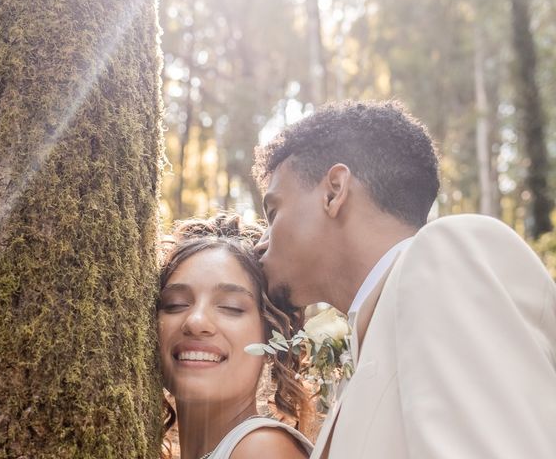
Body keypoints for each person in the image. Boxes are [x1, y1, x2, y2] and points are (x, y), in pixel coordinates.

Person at [252, 101, 556, 459]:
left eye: (273, 212)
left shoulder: (444, 256)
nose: (261, 242)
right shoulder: (371, 345)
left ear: (334, 191)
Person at [158, 214, 314, 459]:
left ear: (271, 337)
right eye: (175, 304)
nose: (196, 322)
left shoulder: (263, 450)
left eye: (231, 307)